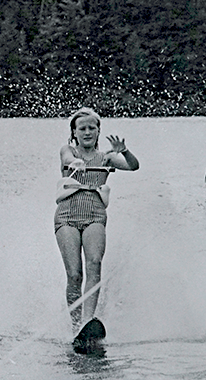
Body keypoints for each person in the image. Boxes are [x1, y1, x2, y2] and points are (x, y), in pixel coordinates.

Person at [54, 107, 139, 329]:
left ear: (98, 131)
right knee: (74, 274)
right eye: (82, 128)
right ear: (74, 132)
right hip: (67, 215)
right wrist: (76, 163)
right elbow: (67, 157)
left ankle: (87, 321)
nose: (87, 132)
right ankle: (75, 325)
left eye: (92, 127)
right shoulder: (68, 150)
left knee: (94, 263)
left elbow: (133, 166)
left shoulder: (107, 157)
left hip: (94, 215)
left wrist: (125, 151)